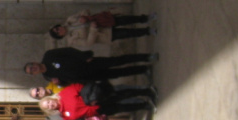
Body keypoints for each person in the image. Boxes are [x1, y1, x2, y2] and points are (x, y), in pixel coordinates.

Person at [25, 47, 156, 86]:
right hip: (88, 76)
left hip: (88, 63)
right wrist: (60, 83)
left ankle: (146, 57)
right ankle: (143, 69)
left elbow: (69, 51)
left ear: (34, 62)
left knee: (117, 61)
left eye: (32, 66)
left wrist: (84, 56)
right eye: (32, 71)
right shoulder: (48, 77)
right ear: (34, 75)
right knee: (117, 73)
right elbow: (67, 82)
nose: (34, 69)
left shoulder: (48, 55)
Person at [49, 10, 157, 49]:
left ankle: (145, 18)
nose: (59, 29)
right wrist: (92, 30)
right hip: (104, 34)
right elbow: (88, 43)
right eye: (57, 32)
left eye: (57, 28)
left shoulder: (70, 20)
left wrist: (83, 17)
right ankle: (147, 31)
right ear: (61, 36)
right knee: (127, 33)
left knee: (125, 19)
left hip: (104, 22)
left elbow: (85, 11)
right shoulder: (71, 40)